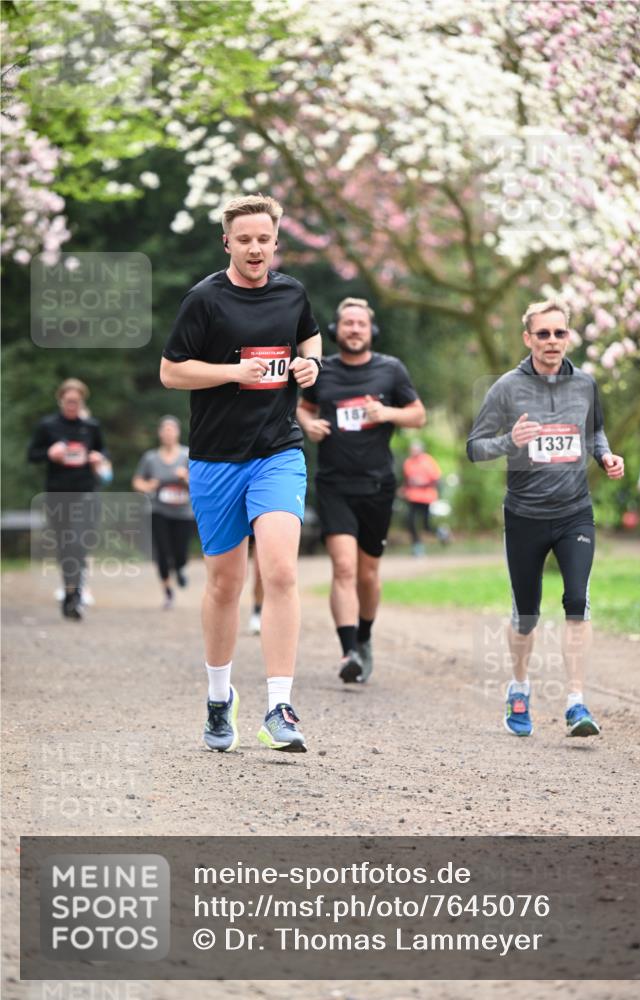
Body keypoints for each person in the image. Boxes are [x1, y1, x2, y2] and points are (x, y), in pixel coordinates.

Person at [160, 194, 321, 753]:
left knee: (279, 572)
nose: (255, 248)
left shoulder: (292, 292)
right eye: (244, 239)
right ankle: (218, 697)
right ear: (227, 242)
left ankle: (279, 705)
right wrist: (234, 372)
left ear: (277, 242)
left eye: (264, 238)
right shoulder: (204, 300)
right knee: (226, 583)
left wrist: (312, 363)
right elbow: (170, 372)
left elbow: (309, 336)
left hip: (277, 451)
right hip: (214, 460)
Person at [467, 299, 624, 738]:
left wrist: (606, 455)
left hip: (575, 512)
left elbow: (594, 431)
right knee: (526, 614)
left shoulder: (587, 385)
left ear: (569, 336)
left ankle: (576, 702)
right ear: (527, 338)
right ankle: (519, 688)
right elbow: (475, 447)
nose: (552, 341)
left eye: (559, 333)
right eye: (543, 334)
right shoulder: (505, 388)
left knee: (577, 600)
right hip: (525, 515)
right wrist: (509, 441)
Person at [297, 297, 426, 684]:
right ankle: (348, 650)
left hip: (377, 486)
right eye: (348, 323)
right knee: (344, 567)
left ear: (371, 331)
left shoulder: (391, 370)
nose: (354, 329)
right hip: (334, 483)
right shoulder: (323, 371)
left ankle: (365, 637)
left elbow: (418, 415)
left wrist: (387, 413)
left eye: (361, 323)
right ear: (337, 330)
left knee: (368, 574)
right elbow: (303, 406)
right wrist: (308, 424)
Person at [27, 379, 109, 620]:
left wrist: (97, 457)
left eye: (77, 401)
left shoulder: (91, 427)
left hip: (86, 492)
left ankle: (77, 594)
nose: (73, 404)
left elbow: (104, 451)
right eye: (68, 400)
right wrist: (49, 454)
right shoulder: (48, 426)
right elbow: (32, 454)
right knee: (65, 546)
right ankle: (69, 593)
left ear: (82, 401)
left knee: (79, 542)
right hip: (57, 493)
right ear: (61, 400)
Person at [132, 416, 194, 609]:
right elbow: (137, 482)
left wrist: (186, 478)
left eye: (171, 429)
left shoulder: (187, 455)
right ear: (160, 433)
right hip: (158, 510)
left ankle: (181, 567)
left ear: (177, 432)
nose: (168, 433)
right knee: (162, 551)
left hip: (184, 512)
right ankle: (168, 592)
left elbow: (201, 482)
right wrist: (147, 485)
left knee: (180, 552)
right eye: (164, 430)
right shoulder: (150, 458)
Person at [402, 440, 444, 556]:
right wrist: (403, 489)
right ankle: (417, 546)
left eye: (415, 450)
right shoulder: (408, 463)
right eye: (412, 450)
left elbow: (437, 480)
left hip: (426, 498)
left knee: (426, 525)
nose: (413, 452)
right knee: (410, 521)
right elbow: (407, 481)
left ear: (421, 450)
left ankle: (440, 532)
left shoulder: (428, 461)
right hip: (412, 497)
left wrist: (423, 483)